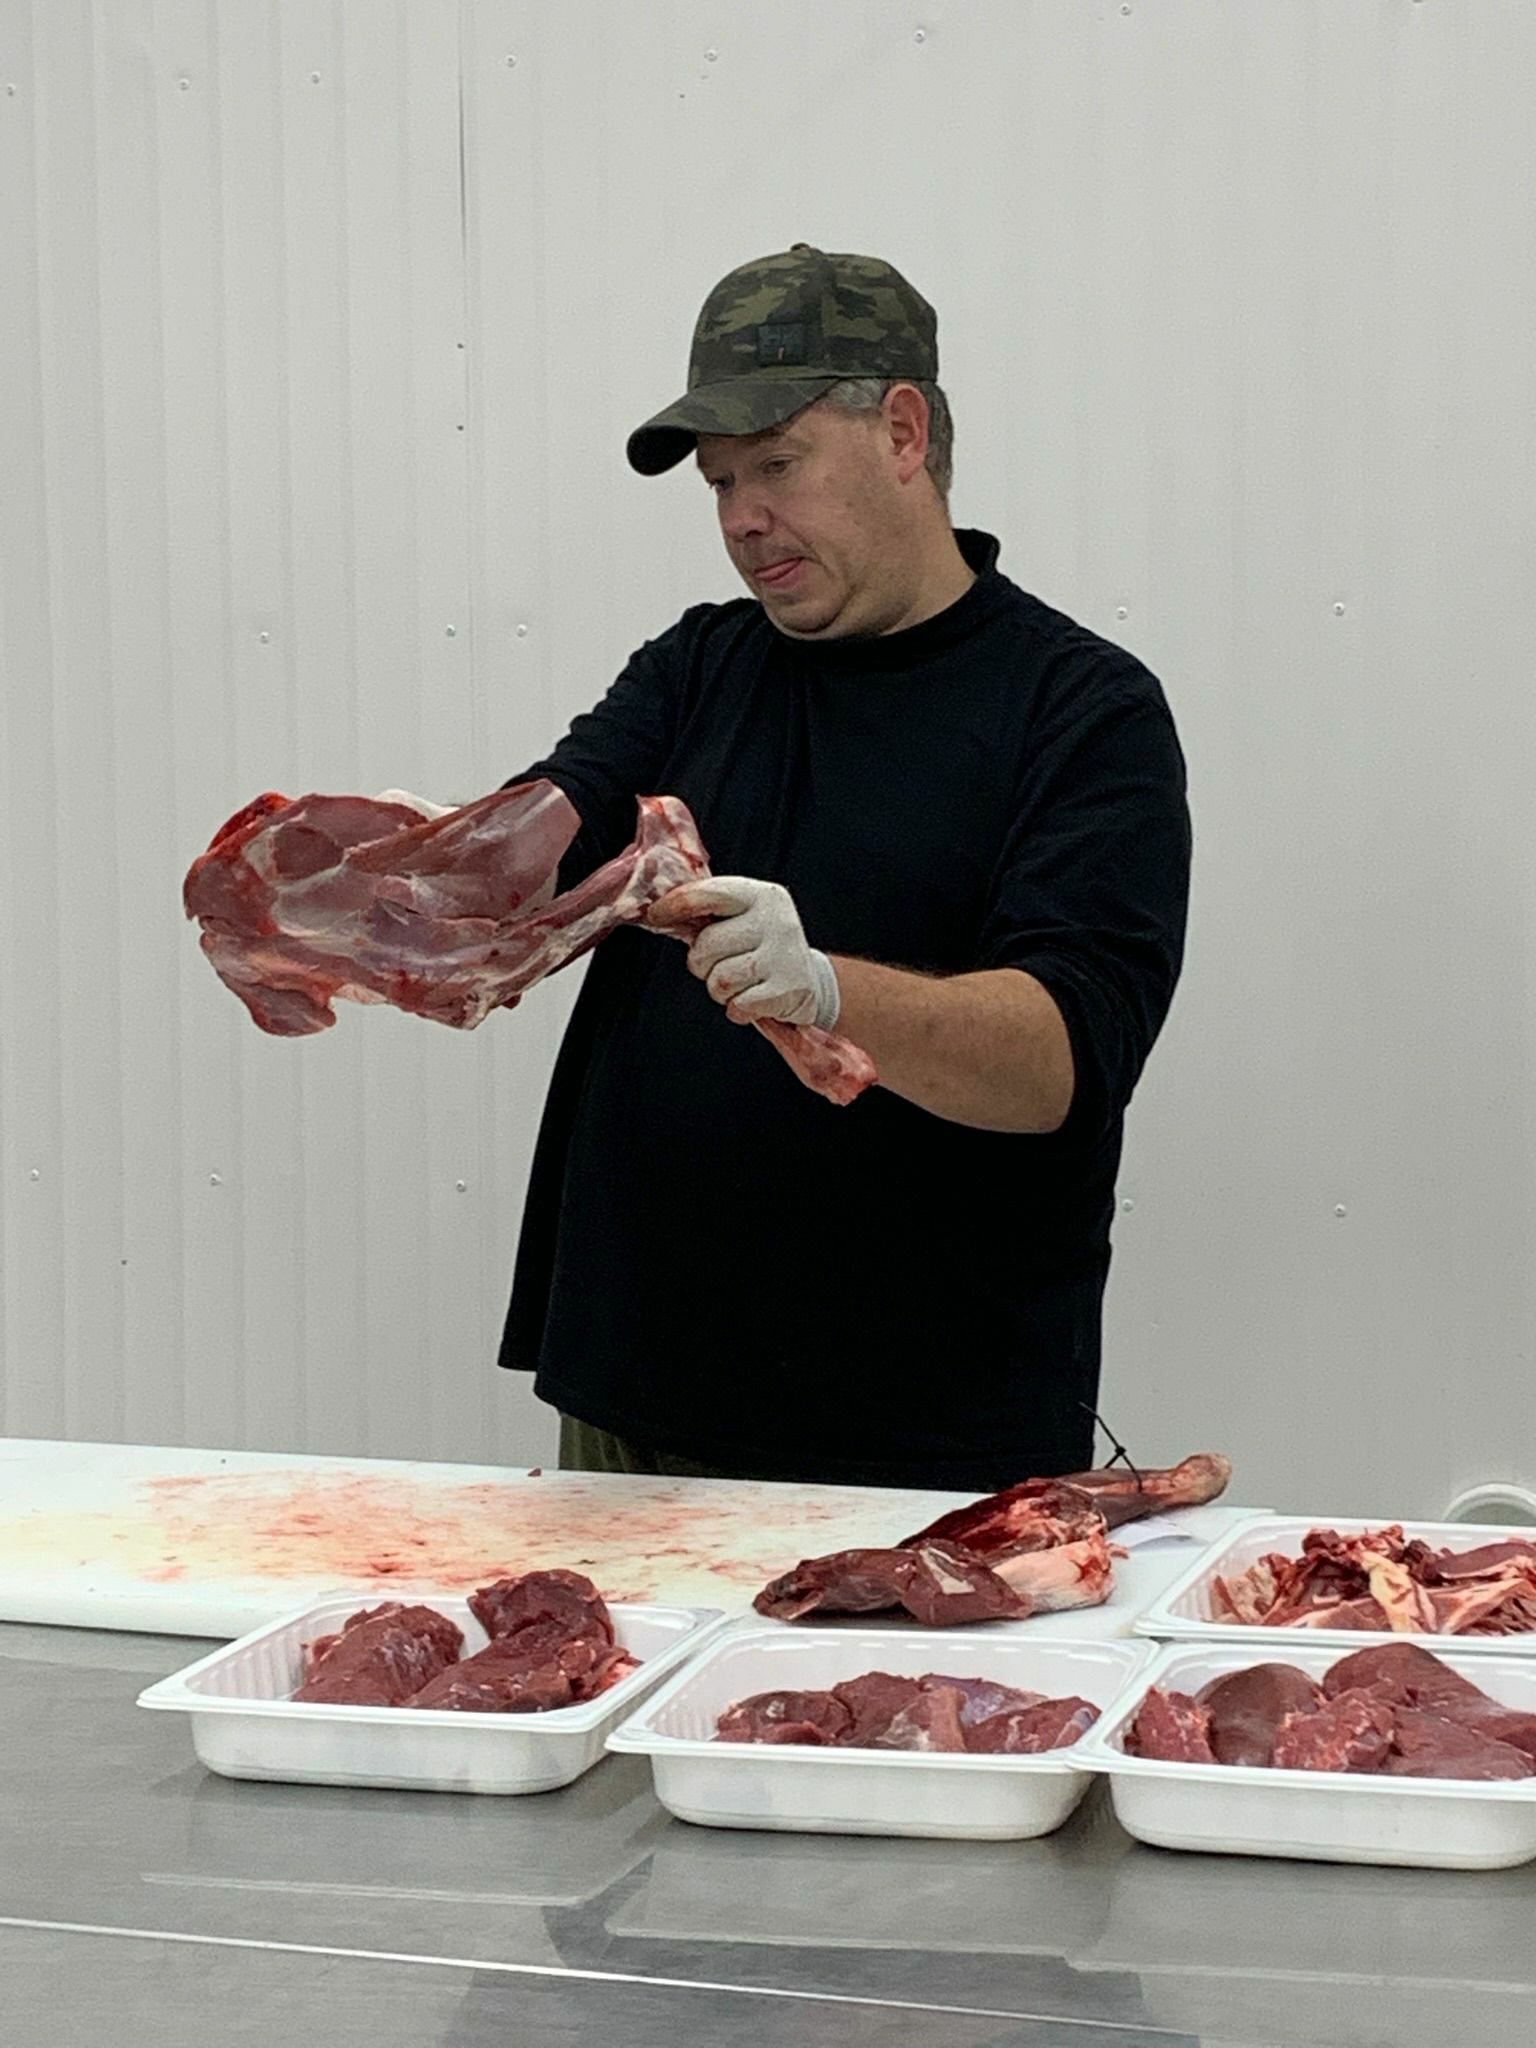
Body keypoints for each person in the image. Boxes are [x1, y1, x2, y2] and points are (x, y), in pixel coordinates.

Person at [496, 243, 1191, 1491]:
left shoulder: (1079, 710)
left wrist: (824, 986)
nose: (741, 518)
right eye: (720, 482)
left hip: (918, 1451)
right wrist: (405, 876)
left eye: (776, 464)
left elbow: (1063, 1060)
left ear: (904, 432)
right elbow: (542, 842)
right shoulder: (698, 668)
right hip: (629, 1414)